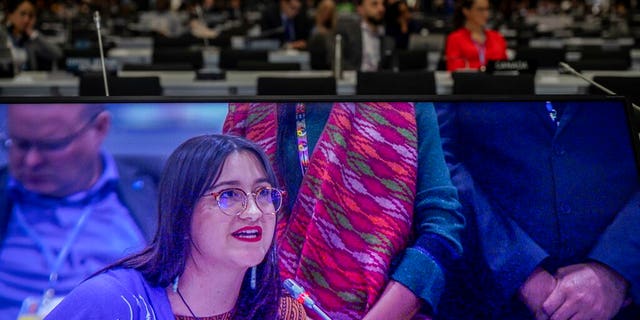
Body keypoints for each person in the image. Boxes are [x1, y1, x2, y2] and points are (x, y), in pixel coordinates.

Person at [223, 102, 464, 319]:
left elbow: (442, 227)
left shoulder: (404, 100)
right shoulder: (251, 108)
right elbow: (224, 223)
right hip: (268, 309)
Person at [45, 134, 306, 319]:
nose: (253, 212)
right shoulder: (114, 301)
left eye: (263, 193)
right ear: (182, 209)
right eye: (229, 195)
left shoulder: (280, 311)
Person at [435, 100, 640, 319]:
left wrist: (614, 271)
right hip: (484, 294)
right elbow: (436, 158)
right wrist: (518, 269)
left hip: (625, 294)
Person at [0, 104, 161, 320]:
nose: (31, 161)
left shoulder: (161, 187)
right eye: (18, 144)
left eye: (52, 145)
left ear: (100, 128)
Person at [444, 0, 506, 71]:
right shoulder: (454, 38)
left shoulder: (498, 37)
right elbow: (455, 70)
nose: (486, 14)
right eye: (480, 9)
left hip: (496, 81)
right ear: (466, 11)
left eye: (487, 9)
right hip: (469, 81)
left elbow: (505, 68)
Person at [1, 0, 63, 71]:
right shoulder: (3, 36)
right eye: (22, 14)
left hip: (29, 80)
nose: (26, 20)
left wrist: (34, 35)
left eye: (30, 16)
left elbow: (57, 54)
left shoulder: (32, 39)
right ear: (10, 15)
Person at [335, 0, 395, 71]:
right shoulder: (346, 33)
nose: (381, 9)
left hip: (379, 80)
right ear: (360, 9)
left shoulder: (389, 40)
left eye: (383, 4)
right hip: (355, 79)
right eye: (374, 4)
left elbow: (393, 71)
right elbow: (337, 61)